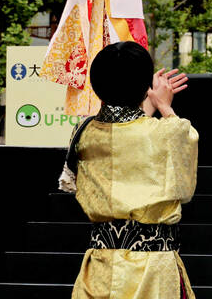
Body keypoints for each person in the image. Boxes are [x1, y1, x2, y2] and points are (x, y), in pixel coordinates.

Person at [60, 41, 198, 299]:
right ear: (144, 87)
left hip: (100, 265)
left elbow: (125, 133)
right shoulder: (168, 132)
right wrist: (163, 105)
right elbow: (183, 174)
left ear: (96, 84)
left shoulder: (84, 132)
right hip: (152, 269)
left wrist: (146, 100)